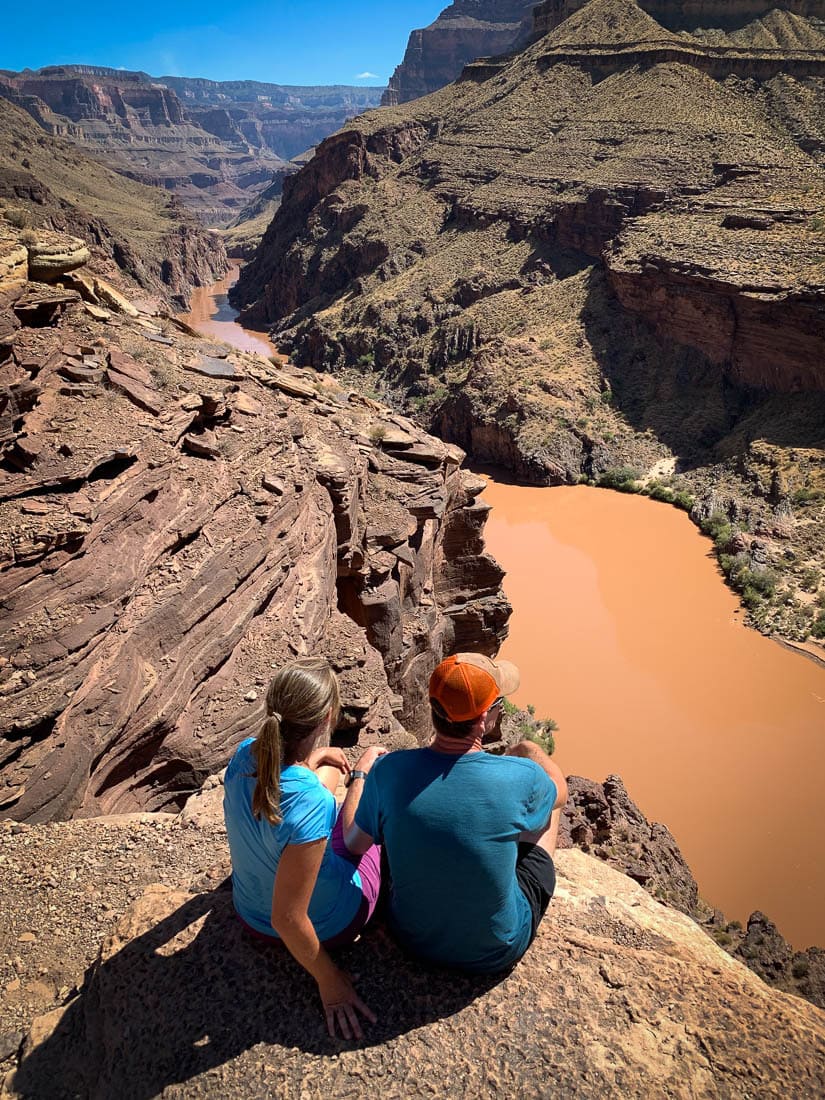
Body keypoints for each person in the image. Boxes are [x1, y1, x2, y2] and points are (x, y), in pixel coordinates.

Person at [345, 652, 568, 973]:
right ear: (483, 720)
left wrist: (360, 776)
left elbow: (354, 843)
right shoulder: (521, 776)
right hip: (497, 949)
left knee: (389, 823)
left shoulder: (387, 771)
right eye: (497, 704)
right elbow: (560, 790)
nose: (499, 710)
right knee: (548, 809)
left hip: (410, 937)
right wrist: (527, 750)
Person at [223, 657, 386, 1038]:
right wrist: (330, 983)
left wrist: (313, 762)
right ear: (328, 717)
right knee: (372, 833)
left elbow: (283, 796)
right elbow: (288, 919)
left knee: (328, 772)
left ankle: (326, 766)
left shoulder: (244, 754)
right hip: (326, 925)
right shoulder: (312, 801)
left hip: (249, 912)